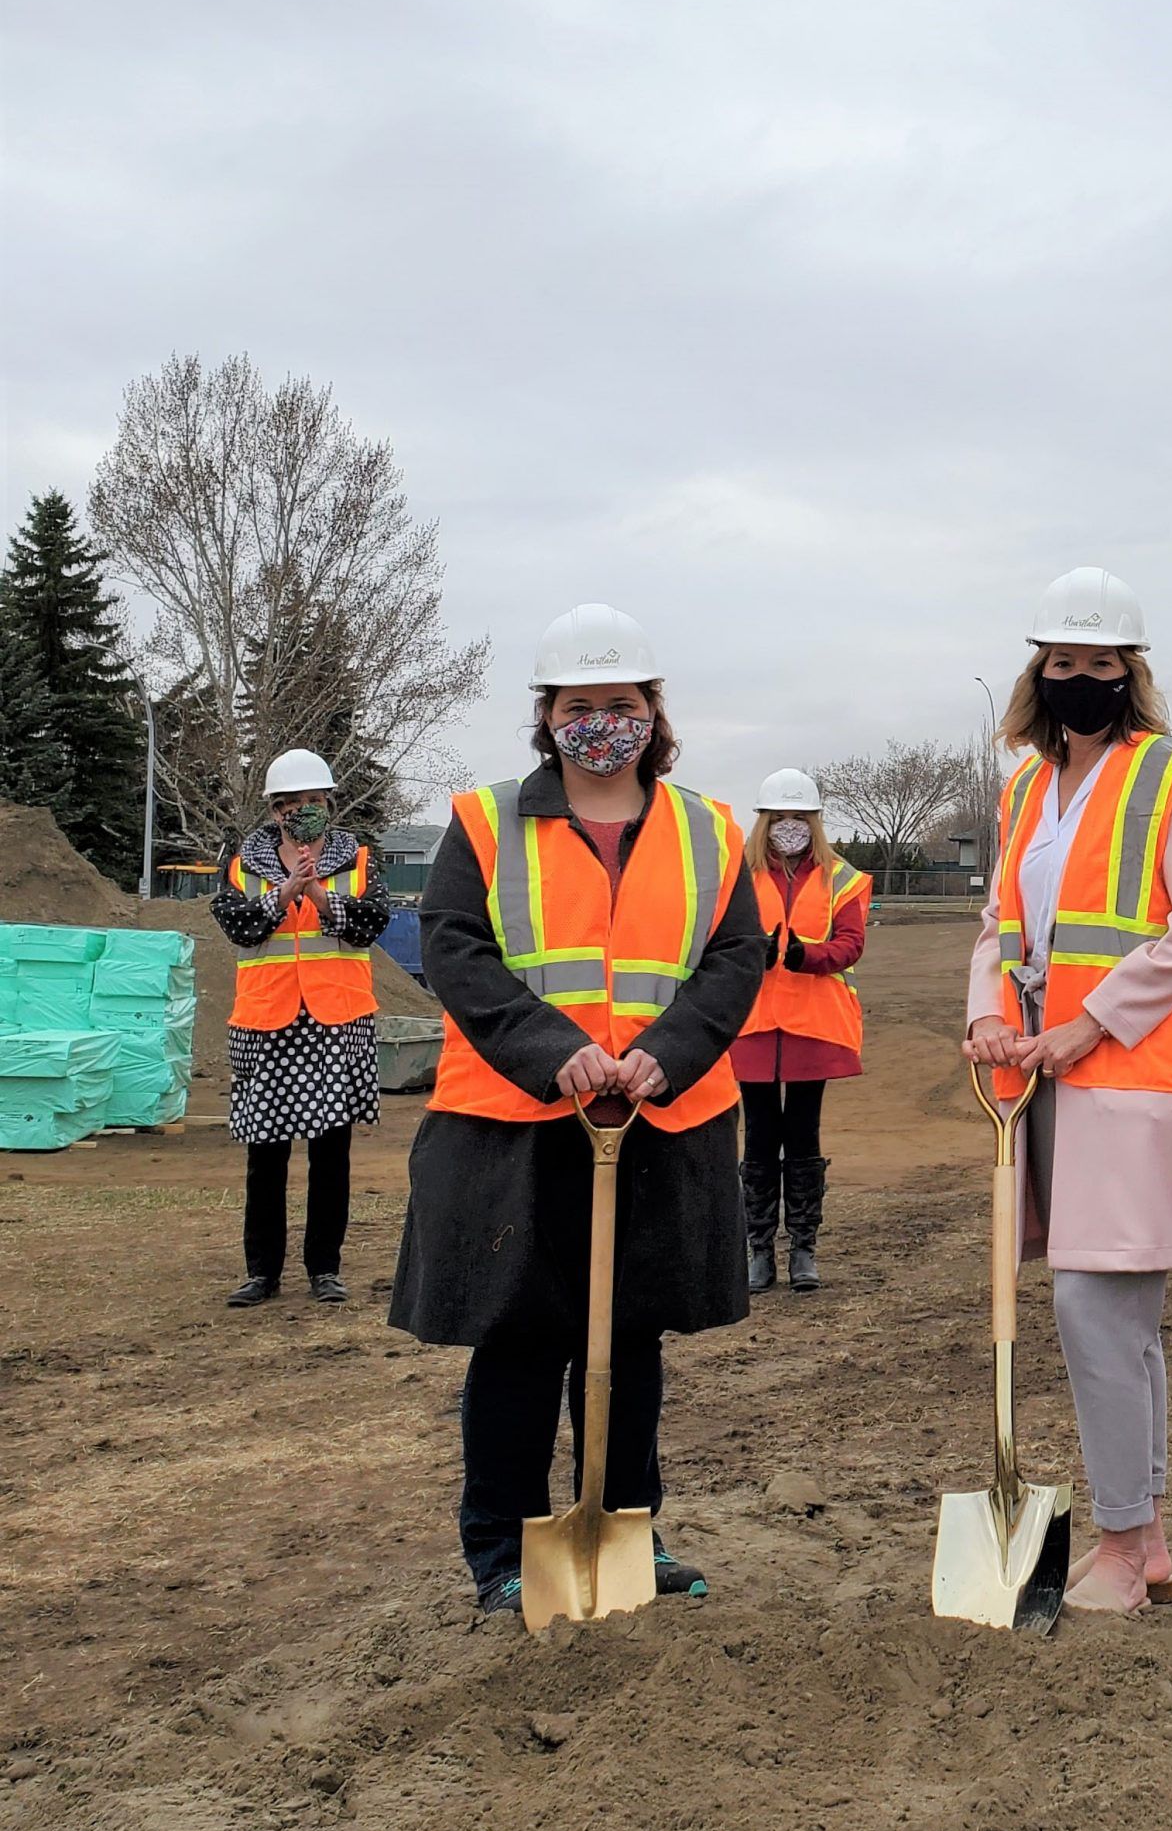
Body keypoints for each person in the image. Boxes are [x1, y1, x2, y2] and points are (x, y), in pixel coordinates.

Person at [389, 603, 766, 1618]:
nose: (602, 721)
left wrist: (666, 1054)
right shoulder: (483, 820)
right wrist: (553, 1053)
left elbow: (736, 959)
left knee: (630, 1337)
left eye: (621, 703)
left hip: (657, 1118)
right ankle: (503, 1547)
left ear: (654, 712)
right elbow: (455, 947)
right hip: (515, 1121)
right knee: (517, 1336)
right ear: (547, 714)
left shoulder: (708, 829)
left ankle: (627, 1521)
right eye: (579, 704)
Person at [962, 566, 1172, 1615]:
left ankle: (1119, 1541)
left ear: (1132, 674)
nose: (1081, 677)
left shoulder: (1168, 779)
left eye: (1100, 663)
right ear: (1041, 673)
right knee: (1119, 1322)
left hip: (1131, 1077)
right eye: (1063, 662)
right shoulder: (1026, 788)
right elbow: (1000, 919)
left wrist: (1091, 1018)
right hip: (1038, 1079)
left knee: (1092, 1310)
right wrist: (992, 1007)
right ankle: (1145, 1533)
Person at [210, 748, 389, 1307]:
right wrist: (283, 894)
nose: (303, 811)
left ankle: (324, 1269)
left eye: (315, 801)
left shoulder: (357, 859)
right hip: (266, 1021)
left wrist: (316, 891)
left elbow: (370, 925)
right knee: (266, 1154)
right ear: (274, 808)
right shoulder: (242, 863)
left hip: (337, 1019)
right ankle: (261, 1271)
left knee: (330, 1152)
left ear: (329, 803)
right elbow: (235, 925)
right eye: (292, 803)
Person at [731, 768, 871, 1294]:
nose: (788, 826)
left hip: (815, 1022)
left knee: (804, 1133)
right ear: (763, 822)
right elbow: (717, 939)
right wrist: (753, 953)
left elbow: (852, 942)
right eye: (779, 817)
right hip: (755, 1024)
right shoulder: (737, 876)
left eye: (798, 817)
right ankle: (759, 1250)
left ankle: (804, 1250)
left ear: (813, 822)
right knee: (762, 1135)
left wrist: (806, 956)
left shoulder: (843, 878)